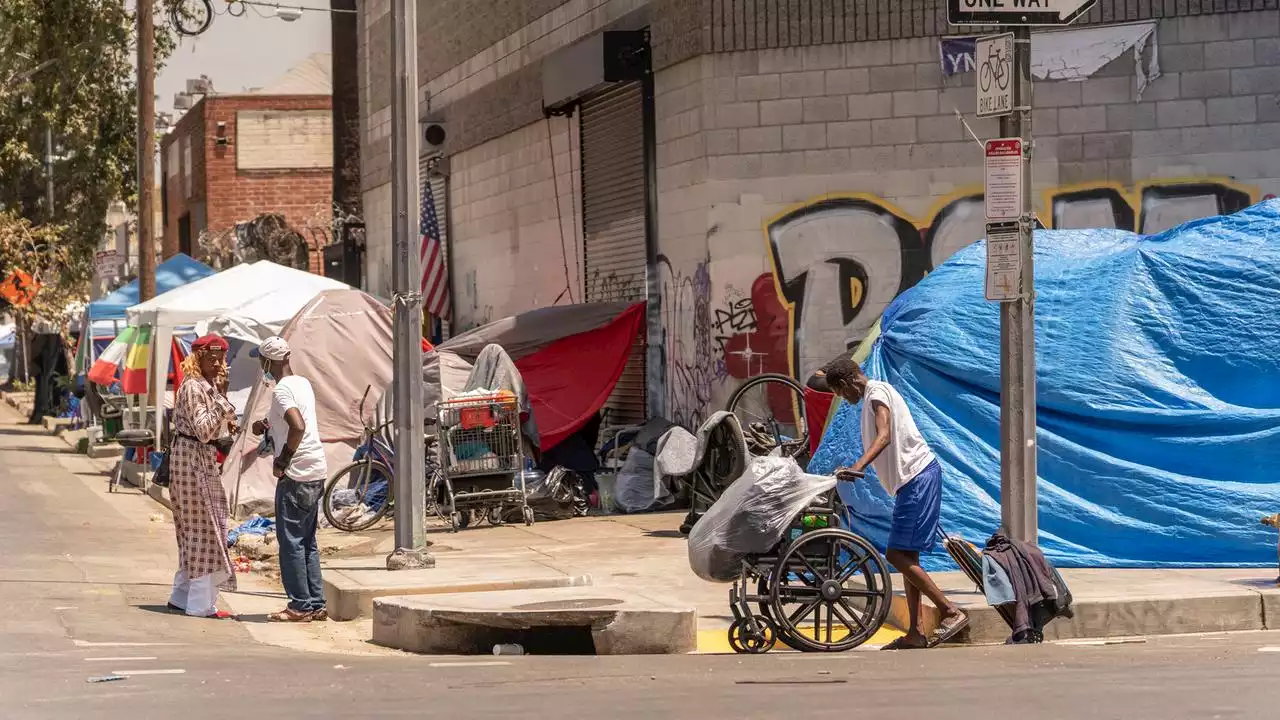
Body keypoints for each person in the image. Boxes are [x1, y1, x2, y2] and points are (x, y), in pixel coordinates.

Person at [820, 354, 969, 649]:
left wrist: (858, 467)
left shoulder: (876, 392)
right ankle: (916, 633)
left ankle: (950, 611)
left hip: (918, 478)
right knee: (907, 558)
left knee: (896, 556)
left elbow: (885, 434)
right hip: (910, 483)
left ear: (847, 382)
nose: (841, 397)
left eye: (838, 391)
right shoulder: (874, 395)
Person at [251, 336, 328, 622]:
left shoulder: (281, 391)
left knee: (292, 541)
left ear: (269, 361)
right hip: (316, 469)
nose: (261, 367)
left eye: (261, 361)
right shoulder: (302, 383)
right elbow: (291, 418)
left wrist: (282, 460)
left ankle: (299, 605)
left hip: (296, 474)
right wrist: (265, 425)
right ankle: (315, 603)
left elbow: (298, 425)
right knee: (307, 541)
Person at [168, 334, 238, 618]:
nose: (218, 364)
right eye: (211, 358)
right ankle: (199, 604)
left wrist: (221, 396)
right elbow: (204, 431)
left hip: (197, 458)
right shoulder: (195, 387)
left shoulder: (204, 385)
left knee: (196, 529)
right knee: (203, 530)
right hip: (192, 460)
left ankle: (182, 595)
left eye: (221, 358)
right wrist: (221, 398)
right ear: (197, 358)